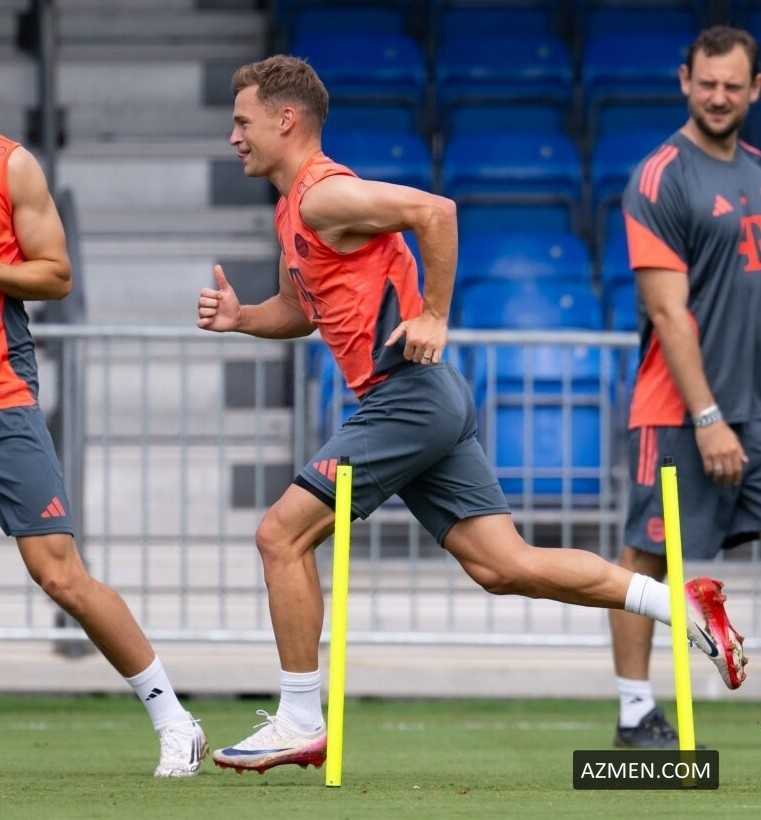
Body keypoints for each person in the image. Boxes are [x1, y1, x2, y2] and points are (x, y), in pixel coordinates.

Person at [196, 54, 747, 776]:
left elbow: (437, 211)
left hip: (408, 396)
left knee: (279, 536)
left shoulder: (324, 195)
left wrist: (434, 313)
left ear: (285, 119)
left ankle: (300, 720)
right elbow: (301, 310)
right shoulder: (293, 210)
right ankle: (681, 606)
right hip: (423, 399)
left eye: (243, 121)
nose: (234, 135)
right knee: (503, 565)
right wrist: (241, 318)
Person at [0, 134, 207, 776]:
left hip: (4, 398)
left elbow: (56, 274)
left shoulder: (12, 165)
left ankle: (175, 721)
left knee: (60, 574)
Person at [609, 24, 760, 749]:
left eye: (732, 85)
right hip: (680, 412)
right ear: (683, 82)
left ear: (755, 89)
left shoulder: (757, 170)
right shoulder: (659, 177)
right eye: (707, 83)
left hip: (753, 406)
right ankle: (635, 712)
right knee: (647, 557)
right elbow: (668, 312)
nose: (718, 96)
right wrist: (708, 417)